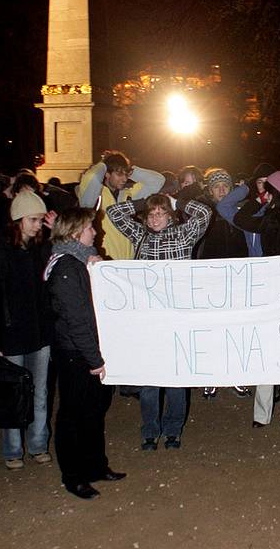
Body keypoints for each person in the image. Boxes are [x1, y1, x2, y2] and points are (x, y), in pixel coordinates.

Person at [106, 189, 212, 449]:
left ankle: (173, 430)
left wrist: (175, 201)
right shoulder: (139, 234)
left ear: (170, 216)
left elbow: (205, 213)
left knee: (175, 379)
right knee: (150, 380)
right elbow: (114, 213)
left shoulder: (183, 234)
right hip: (148, 319)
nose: (155, 218)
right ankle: (150, 431)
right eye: (151, 214)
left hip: (176, 317)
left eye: (160, 213)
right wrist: (146, 201)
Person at [45, 207, 126, 499]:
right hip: (75, 353)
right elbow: (77, 320)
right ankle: (74, 476)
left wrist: (95, 266)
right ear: (76, 232)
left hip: (84, 350)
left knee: (93, 411)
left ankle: (95, 466)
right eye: (90, 227)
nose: (96, 231)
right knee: (73, 414)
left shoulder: (78, 262)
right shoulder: (67, 268)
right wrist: (95, 359)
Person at [0, 191, 52, 470]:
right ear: (17, 220)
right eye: (33, 219)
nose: (37, 225)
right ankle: (12, 451)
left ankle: (37, 445)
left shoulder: (39, 251)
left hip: (39, 335)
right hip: (11, 338)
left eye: (40, 219)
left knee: (40, 393)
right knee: (12, 394)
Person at [233, 170, 280, 431]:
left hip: (274, 288)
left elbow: (241, 218)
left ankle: (263, 414)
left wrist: (258, 199)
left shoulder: (275, 215)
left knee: (268, 349)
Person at [195, 168, 251, 399]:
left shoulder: (241, 212)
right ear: (209, 190)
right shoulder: (203, 211)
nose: (221, 190)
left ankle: (237, 374)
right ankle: (211, 376)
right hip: (210, 280)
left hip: (239, 279)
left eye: (226, 186)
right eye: (216, 186)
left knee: (237, 329)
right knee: (212, 329)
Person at [76, 151, 165, 260]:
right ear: (107, 174)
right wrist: (104, 164)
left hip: (127, 262)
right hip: (102, 260)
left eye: (126, 175)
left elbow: (158, 181)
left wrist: (131, 170)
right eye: (119, 174)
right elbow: (92, 176)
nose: (124, 179)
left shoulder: (129, 194)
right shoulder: (94, 194)